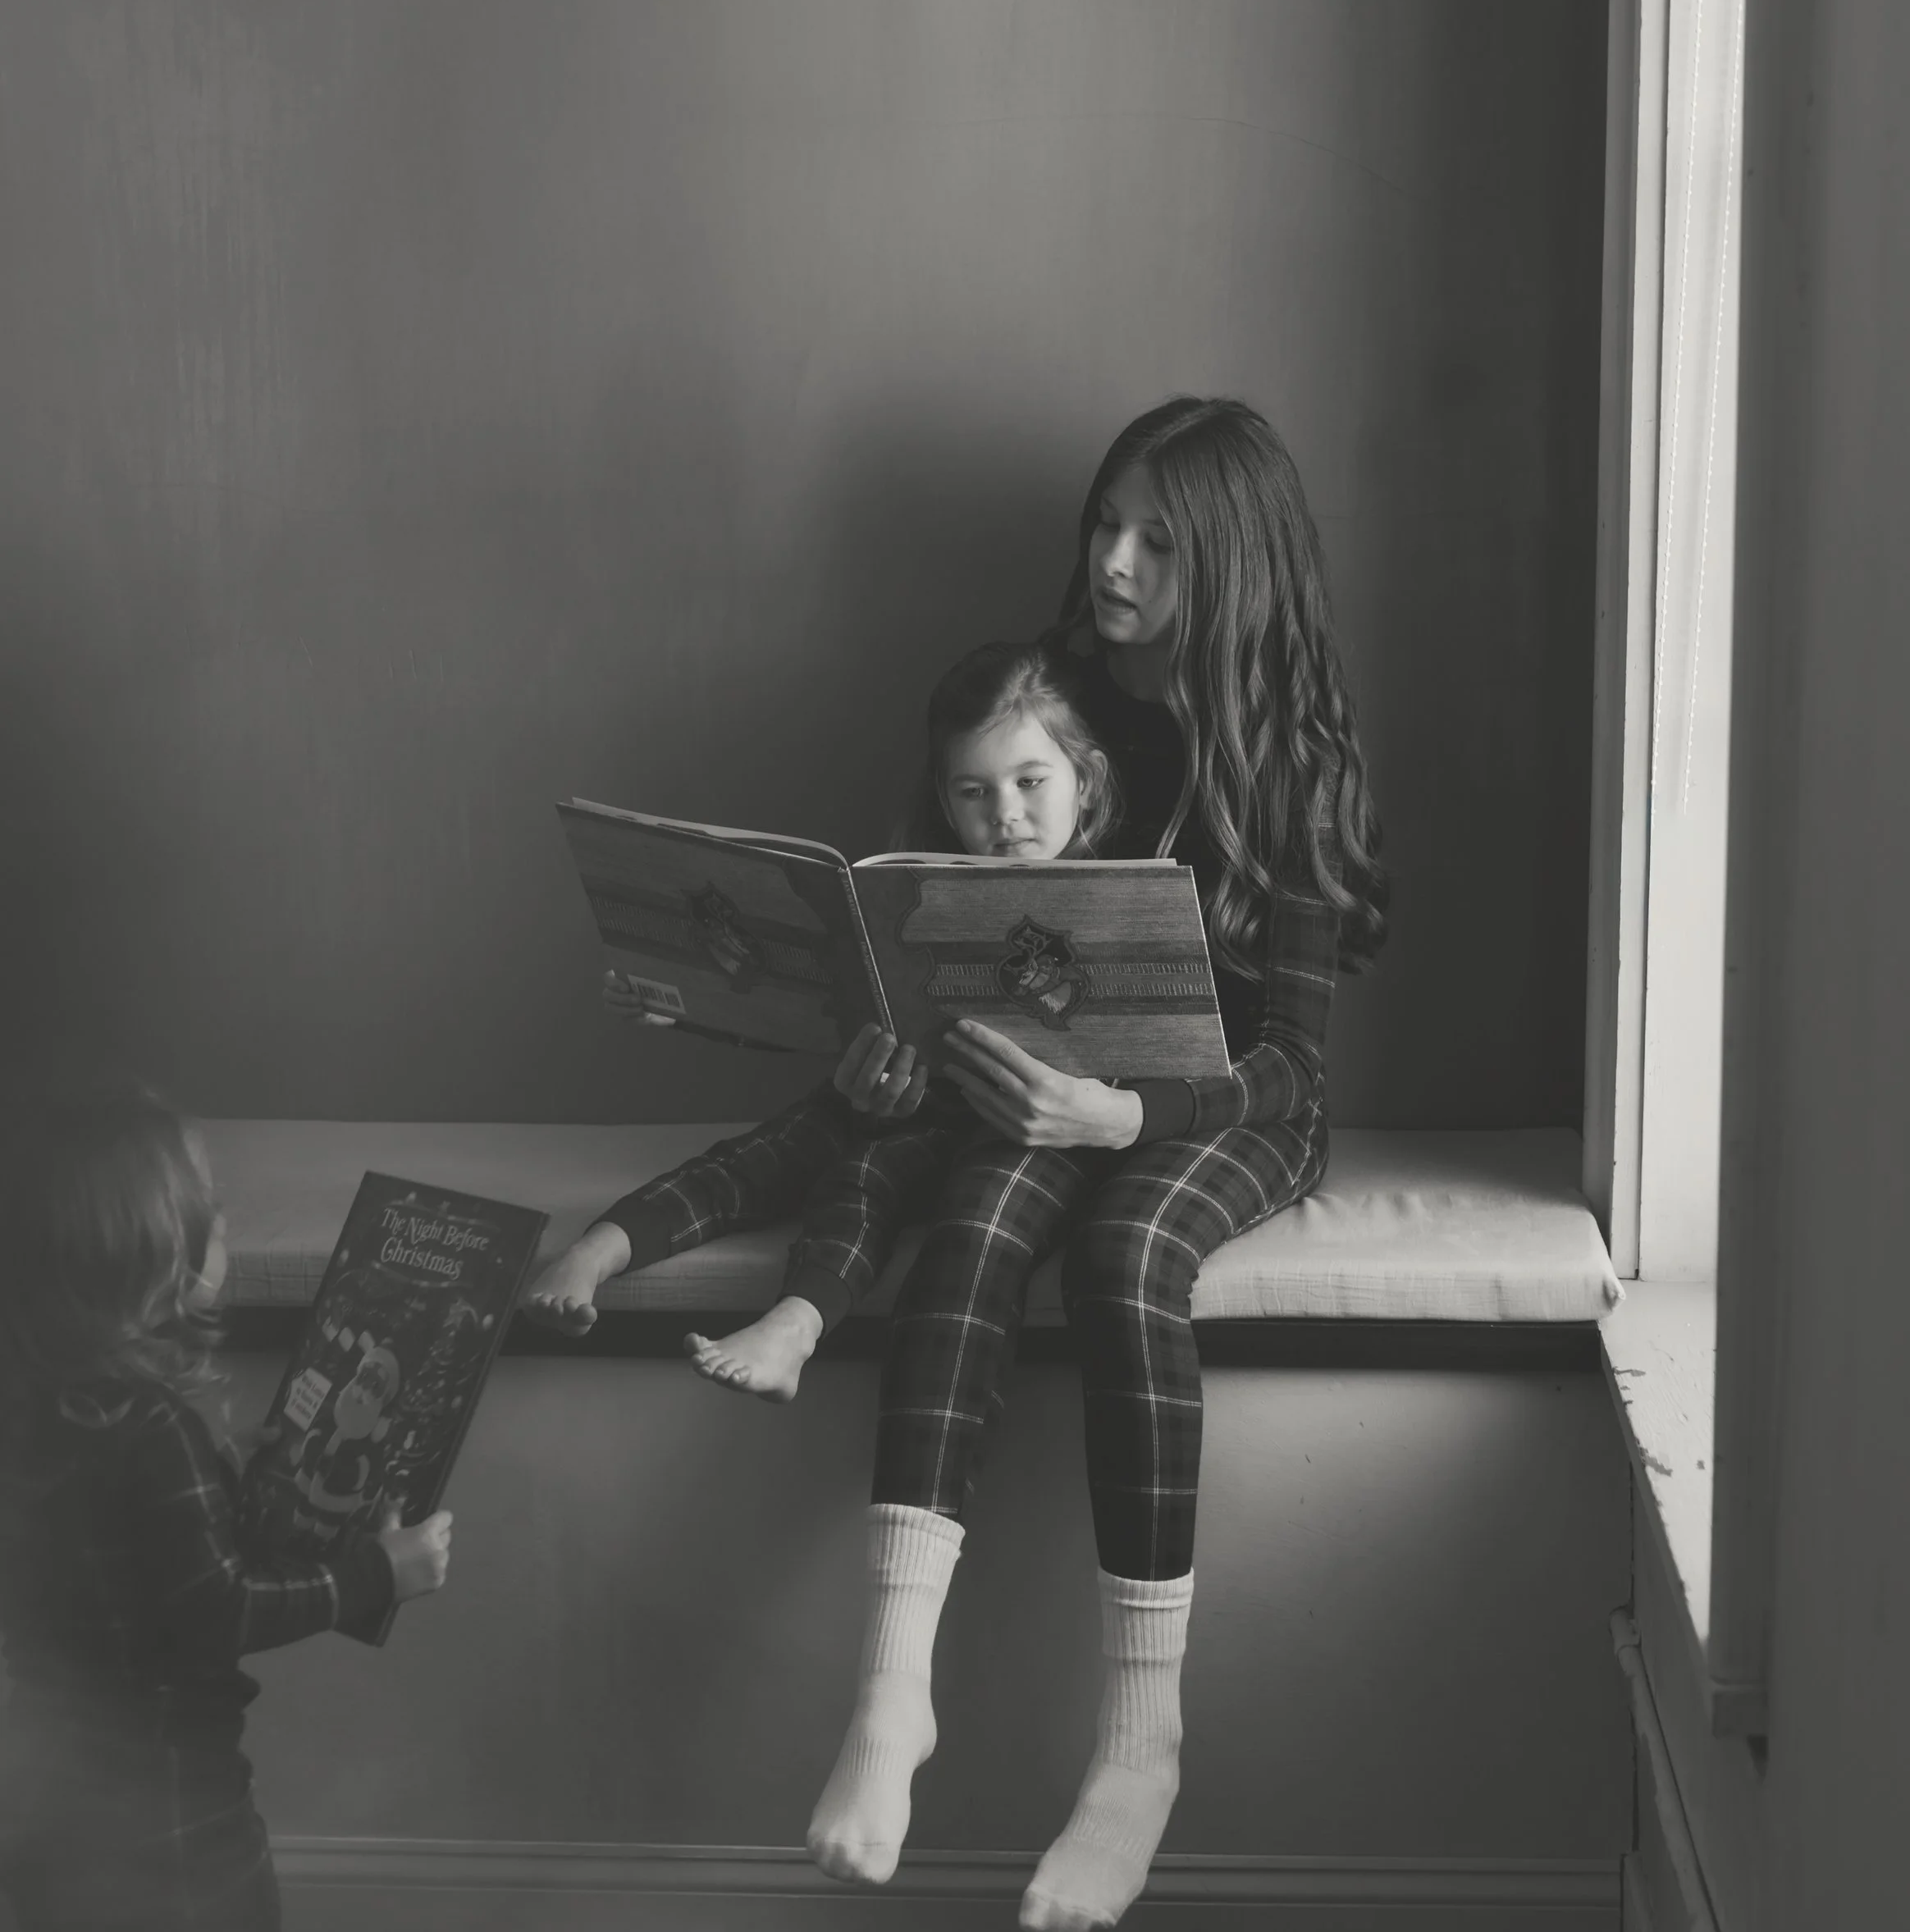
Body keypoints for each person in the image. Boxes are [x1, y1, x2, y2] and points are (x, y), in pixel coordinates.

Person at [807, 397, 1387, 1932]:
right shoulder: (1047, 707)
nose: (1113, 560)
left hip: (1231, 1111)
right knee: (976, 1214)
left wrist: (1128, 1121)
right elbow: (944, 932)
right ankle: (890, 1696)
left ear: (1232, 562)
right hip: (1047, 1090)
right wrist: (897, 1054)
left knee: (1130, 1261)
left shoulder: (1298, 763)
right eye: (1103, 524)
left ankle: (1142, 1749)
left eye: (1156, 538)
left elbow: (1297, 1069)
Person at [519, 640, 1120, 1400]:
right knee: (784, 1142)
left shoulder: (1116, 899)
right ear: (945, 798)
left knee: (866, 1172)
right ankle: (601, 1247)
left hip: (1002, 1130)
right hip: (901, 1087)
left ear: (1085, 782)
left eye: (1031, 782)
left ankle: (793, 1326)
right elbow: (804, 1005)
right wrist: (679, 1001)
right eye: (974, 792)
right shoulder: (916, 883)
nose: (1005, 814)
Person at [0, 1085, 454, 1932]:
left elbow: (131, 1570)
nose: (224, 1214)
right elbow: (218, 1607)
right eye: (207, 1205)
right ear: (157, 1250)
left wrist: (226, 1468)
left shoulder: (45, 1409)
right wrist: (377, 1571)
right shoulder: (156, 1426)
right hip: (174, 1829)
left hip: (48, 1813)